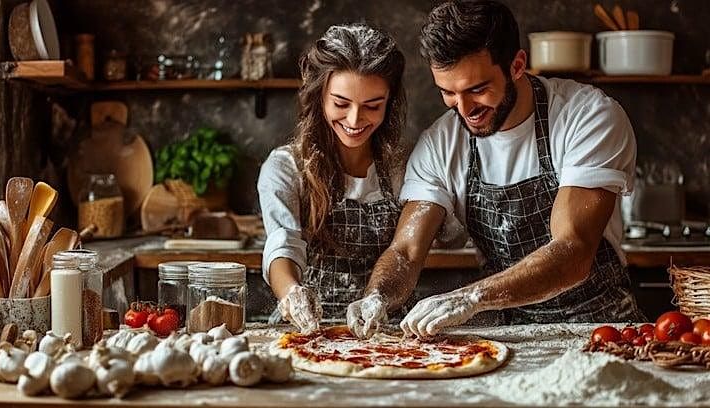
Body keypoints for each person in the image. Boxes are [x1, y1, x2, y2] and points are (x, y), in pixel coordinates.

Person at [346, 0, 645, 339]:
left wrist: (470, 298)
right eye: (448, 93)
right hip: (512, 338)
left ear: (517, 66)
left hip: (601, 329)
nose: (465, 109)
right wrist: (377, 296)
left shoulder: (587, 117)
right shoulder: (440, 144)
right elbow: (406, 251)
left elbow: (572, 251)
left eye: (478, 89)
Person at [257, 23, 407, 333]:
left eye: (372, 106)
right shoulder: (286, 168)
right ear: (318, 96)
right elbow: (282, 247)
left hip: (383, 331)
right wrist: (291, 295)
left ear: (389, 102)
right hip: (307, 330)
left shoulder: (400, 169)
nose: (354, 119)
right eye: (340, 103)